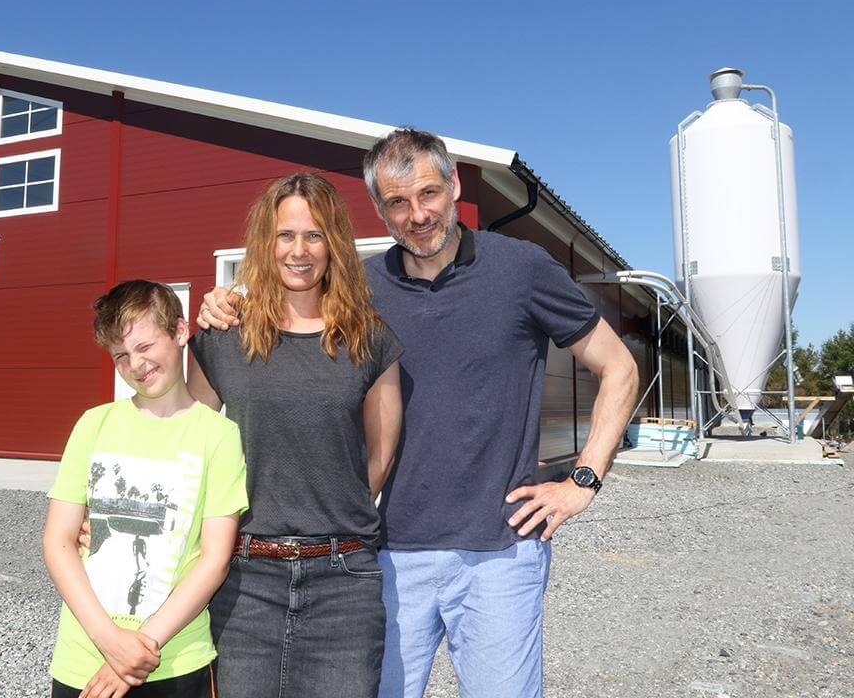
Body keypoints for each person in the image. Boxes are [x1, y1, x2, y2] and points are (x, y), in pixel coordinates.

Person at [199, 129, 639, 698]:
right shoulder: (360, 292)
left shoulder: (521, 269)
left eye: (429, 194)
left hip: (500, 554)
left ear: (454, 184)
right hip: (386, 555)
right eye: (397, 203)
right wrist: (229, 299)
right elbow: (288, 299)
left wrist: (583, 479)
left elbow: (619, 368)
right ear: (380, 209)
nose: (417, 215)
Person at [187, 172, 404, 698]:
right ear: (266, 242)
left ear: (335, 244)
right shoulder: (222, 337)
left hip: (343, 580)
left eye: (315, 235)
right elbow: (184, 450)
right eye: (286, 235)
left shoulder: (369, 340)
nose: (299, 250)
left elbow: (378, 459)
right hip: (243, 579)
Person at [43, 280, 248, 698]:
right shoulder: (93, 424)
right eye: (121, 356)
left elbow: (214, 558)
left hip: (177, 659)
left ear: (178, 331)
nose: (136, 365)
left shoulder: (220, 436)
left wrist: (142, 646)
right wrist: (111, 643)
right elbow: (58, 541)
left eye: (145, 346)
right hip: (84, 659)